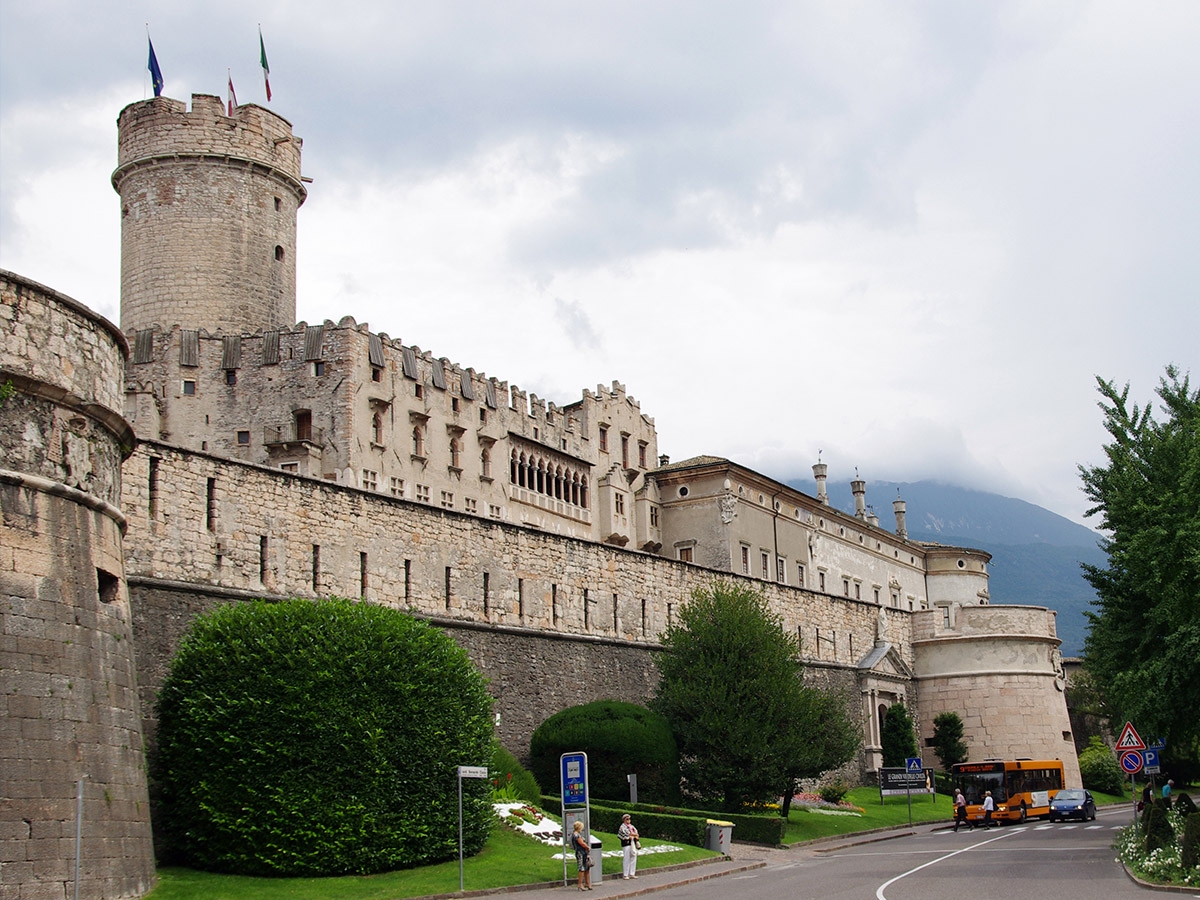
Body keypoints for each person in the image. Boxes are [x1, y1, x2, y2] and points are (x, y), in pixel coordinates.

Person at [571, 821, 593, 891]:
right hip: (580, 853)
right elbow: (581, 843)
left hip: (583, 853)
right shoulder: (576, 835)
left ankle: (587, 883)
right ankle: (580, 884)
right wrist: (587, 847)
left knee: (586, 867)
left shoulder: (577, 834)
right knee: (581, 868)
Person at [618, 813, 640, 879]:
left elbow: (635, 833)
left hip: (632, 842)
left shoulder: (632, 826)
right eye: (627, 819)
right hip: (626, 843)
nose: (628, 820)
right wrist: (633, 835)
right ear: (624, 820)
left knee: (633, 855)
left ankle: (632, 873)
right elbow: (624, 834)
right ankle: (625, 874)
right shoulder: (622, 827)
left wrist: (634, 835)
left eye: (629, 819)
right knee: (626, 857)